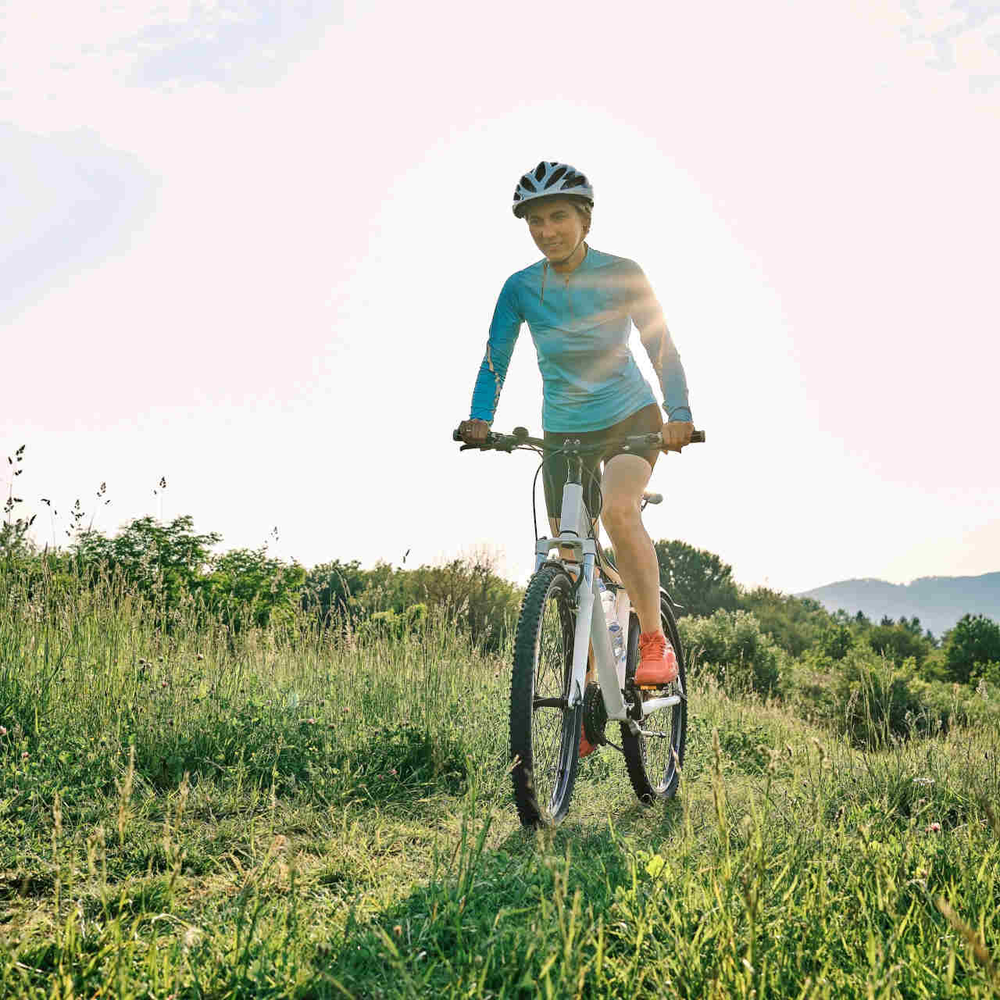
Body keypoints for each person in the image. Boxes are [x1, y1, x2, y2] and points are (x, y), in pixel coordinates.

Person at [458, 161, 694, 756]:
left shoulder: (622, 274)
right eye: (535, 221)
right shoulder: (519, 287)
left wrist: (679, 413)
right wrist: (480, 417)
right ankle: (586, 686)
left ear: (584, 218)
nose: (547, 230)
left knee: (618, 511)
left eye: (558, 217)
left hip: (630, 419)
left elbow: (660, 343)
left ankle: (652, 642)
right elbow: (495, 355)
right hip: (564, 429)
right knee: (570, 557)